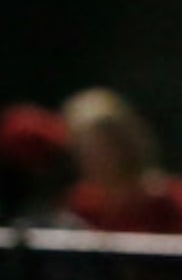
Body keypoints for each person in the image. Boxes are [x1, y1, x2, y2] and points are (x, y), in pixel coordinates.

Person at [58, 87, 182, 235]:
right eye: (86, 148)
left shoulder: (172, 202)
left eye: (104, 146)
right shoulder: (81, 206)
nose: (95, 158)